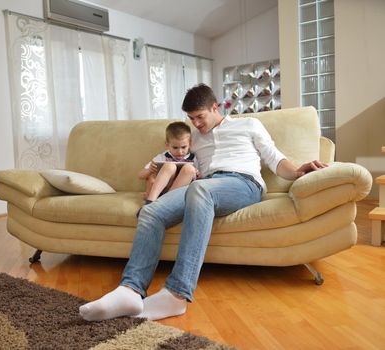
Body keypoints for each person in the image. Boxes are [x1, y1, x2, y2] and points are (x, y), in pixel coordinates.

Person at [79, 83, 328, 322]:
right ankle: (130, 291)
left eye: (200, 117)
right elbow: (175, 160)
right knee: (151, 212)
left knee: (200, 189)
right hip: (204, 187)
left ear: (215, 107)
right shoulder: (193, 138)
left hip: (243, 184)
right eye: (191, 119)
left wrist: (297, 171)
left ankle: (177, 294)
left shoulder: (249, 125)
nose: (196, 124)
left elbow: (276, 160)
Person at [138, 121, 198, 206]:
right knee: (168, 166)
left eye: (183, 147)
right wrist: (149, 170)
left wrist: (197, 173)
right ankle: (150, 202)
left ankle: (165, 202)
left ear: (190, 144)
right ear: (167, 145)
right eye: (175, 147)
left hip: (180, 191)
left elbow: (201, 177)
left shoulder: (194, 158)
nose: (180, 152)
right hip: (161, 190)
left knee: (190, 169)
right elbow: (140, 175)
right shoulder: (163, 157)